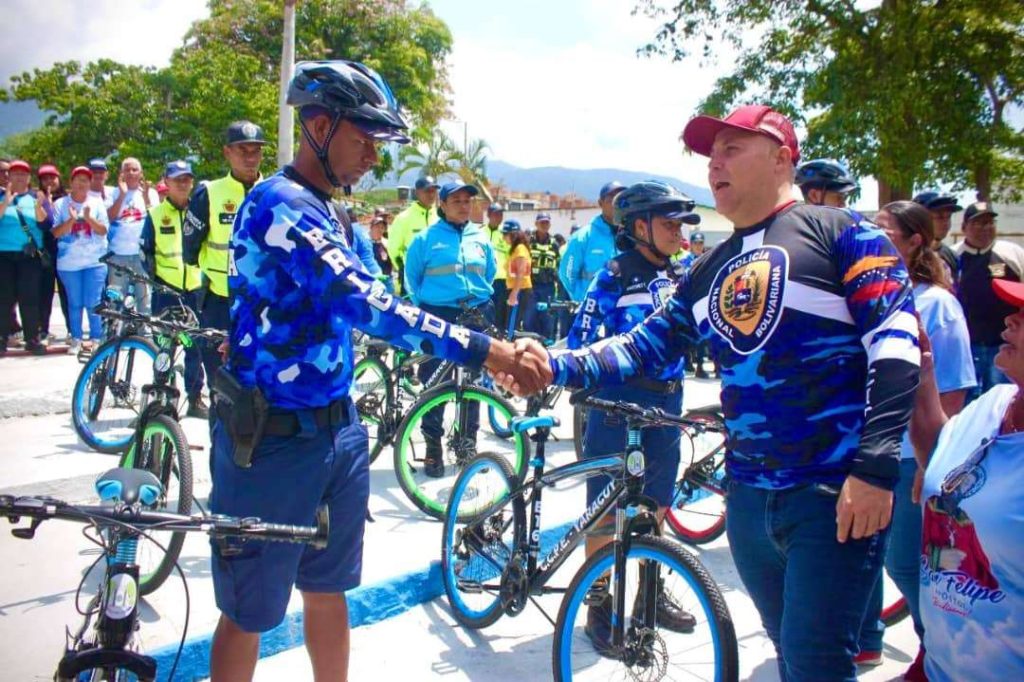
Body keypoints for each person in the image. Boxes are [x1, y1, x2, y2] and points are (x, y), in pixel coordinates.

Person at [501, 104, 920, 680]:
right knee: (791, 655)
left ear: (781, 158)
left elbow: (895, 348)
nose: (713, 165)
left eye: (731, 149)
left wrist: (876, 468)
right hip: (747, 502)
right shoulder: (705, 270)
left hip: (830, 496)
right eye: (709, 154)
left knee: (818, 663)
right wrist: (552, 363)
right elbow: (641, 347)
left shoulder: (846, 235)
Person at [207, 60, 540, 682]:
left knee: (328, 591)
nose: (373, 159)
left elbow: (380, 295)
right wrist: (488, 351)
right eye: (364, 140)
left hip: (335, 431)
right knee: (250, 610)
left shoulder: (332, 212)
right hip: (272, 442)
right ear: (319, 125)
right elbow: (370, 305)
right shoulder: (282, 205)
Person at [568, 181, 702, 653]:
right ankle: (599, 604)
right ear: (639, 226)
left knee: (656, 505)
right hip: (618, 406)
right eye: (669, 225)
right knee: (607, 511)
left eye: (680, 225)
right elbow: (579, 337)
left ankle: (650, 592)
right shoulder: (613, 274)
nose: (678, 234)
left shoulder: (683, 273)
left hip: (667, 404)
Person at [856, 200, 976, 672]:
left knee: (908, 564)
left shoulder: (937, 305)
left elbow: (955, 390)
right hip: (870, 451)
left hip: (912, 458)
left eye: (886, 232)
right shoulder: (869, 295)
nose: (875, 240)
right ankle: (868, 638)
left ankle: (945, 652)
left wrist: (933, 463)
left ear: (914, 241)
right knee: (863, 555)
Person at [908, 277, 1024, 682]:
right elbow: (938, 456)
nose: (1010, 319)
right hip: (937, 668)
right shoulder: (996, 403)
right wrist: (922, 371)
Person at [403, 181, 496, 476]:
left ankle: (467, 445)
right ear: (442, 205)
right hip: (438, 316)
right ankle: (432, 447)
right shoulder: (426, 239)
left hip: (476, 315)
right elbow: (412, 279)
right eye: (456, 200)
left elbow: (490, 273)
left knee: (472, 382)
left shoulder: (481, 237)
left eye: (468, 201)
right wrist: (429, 309)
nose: (463, 205)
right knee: (436, 381)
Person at [183, 120, 266, 394]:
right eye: (243, 150)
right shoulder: (209, 193)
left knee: (261, 383)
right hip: (219, 303)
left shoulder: (275, 192)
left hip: (262, 305)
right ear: (227, 153)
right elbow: (190, 249)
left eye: (256, 150)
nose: (250, 157)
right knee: (221, 385)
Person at [140, 160, 207, 418]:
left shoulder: (199, 212)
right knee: (164, 347)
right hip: (166, 294)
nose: (183, 184)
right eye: (177, 179)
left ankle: (195, 398)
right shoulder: (156, 215)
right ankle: (160, 399)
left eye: (187, 179)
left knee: (195, 348)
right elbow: (146, 253)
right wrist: (157, 282)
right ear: (166, 183)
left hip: (195, 291)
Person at [953, 201, 1024, 401]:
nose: (985, 228)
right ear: (964, 227)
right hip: (968, 344)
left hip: (1003, 343)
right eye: (978, 223)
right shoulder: (953, 256)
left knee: (1002, 397)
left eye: (989, 223)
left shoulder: (1011, 253)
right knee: (968, 400)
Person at [51, 166, 110, 354]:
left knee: (93, 302)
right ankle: (75, 338)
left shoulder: (97, 202)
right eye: (78, 179)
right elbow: (55, 232)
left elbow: (103, 230)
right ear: (71, 182)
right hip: (69, 264)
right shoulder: (61, 204)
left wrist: (88, 218)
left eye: (85, 180)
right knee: (74, 302)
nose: (81, 183)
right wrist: (71, 220)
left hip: (94, 262)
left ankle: (96, 338)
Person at [0, 160, 49, 354]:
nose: (19, 178)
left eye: (23, 174)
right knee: (4, 299)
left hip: (29, 256)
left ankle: (32, 339)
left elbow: (46, 224)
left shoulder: (34, 197)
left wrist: (39, 204)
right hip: (4, 254)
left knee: (30, 298)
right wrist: (6, 202)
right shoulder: (2, 196)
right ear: (8, 177)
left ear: (29, 178)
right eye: (15, 174)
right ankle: (3, 337)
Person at [106, 157, 158, 315]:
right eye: (127, 169)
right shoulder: (113, 193)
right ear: (121, 173)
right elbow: (109, 217)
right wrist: (122, 195)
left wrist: (146, 198)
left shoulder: (151, 193)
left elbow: (155, 220)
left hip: (141, 256)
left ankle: (144, 337)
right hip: (118, 256)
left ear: (141, 173)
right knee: (115, 300)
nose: (131, 173)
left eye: (134, 169)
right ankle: (115, 336)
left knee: (145, 300)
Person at [559, 181, 624, 302]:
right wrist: (581, 298)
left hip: (621, 311)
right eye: (611, 200)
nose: (616, 204)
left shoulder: (630, 236)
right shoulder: (583, 237)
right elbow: (566, 274)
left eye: (619, 199)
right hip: (591, 310)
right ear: (600, 203)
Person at [387, 175, 439, 295]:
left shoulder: (439, 219)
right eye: (427, 191)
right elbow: (393, 248)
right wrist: (402, 268)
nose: (431, 195)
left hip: (436, 279)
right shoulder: (403, 218)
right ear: (417, 193)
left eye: (434, 191)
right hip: (412, 277)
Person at [36, 163, 69, 342]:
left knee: (66, 293)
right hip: (46, 252)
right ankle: (43, 330)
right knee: (45, 293)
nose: (49, 181)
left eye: (52, 177)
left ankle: (72, 329)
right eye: (45, 178)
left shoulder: (67, 198)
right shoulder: (37, 198)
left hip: (65, 252)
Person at [522, 212, 560, 339]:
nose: (544, 225)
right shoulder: (528, 242)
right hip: (531, 287)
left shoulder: (554, 244)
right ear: (536, 224)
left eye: (546, 222)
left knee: (547, 321)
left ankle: (545, 350)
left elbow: (559, 264)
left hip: (548, 287)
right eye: (541, 222)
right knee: (528, 320)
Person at [912, 191, 962, 282]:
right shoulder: (907, 256)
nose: (946, 223)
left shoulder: (952, 257)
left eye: (949, 216)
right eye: (939, 217)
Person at [484, 203, 511, 331]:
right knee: (484, 311)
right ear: (488, 215)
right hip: (483, 280)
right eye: (496, 214)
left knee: (500, 313)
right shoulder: (479, 232)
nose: (499, 217)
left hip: (501, 281)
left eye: (501, 214)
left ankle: (499, 339)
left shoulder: (505, 235)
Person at [795, 158, 859, 208]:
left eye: (844, 198)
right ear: (814, 196)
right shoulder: (793, 224)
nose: (844, 205)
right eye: (838, 197)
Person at [503, 219, 531, 332]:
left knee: (512, 325)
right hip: (516, 289)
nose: (503, 237)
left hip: (520, 291)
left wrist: (514, 293)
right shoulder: (514, 249)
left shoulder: (520, 249)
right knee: (511, 323)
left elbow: (521, 272)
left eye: (505, 234)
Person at [368, 215, 394, 291]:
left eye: (382, 227)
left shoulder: (387, 243)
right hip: (372, 279)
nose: (379, 229)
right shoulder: (365, 243)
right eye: (377, 226)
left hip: (387, 279)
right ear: (371, 227)